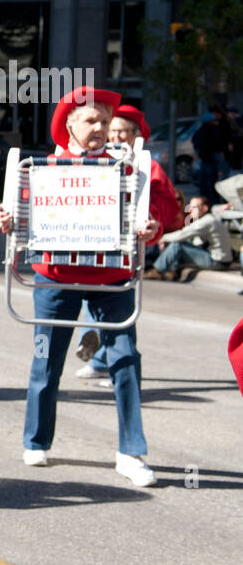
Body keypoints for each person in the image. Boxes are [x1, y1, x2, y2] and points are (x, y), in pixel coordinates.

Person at [0, 87, 175, 487]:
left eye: (105, 121)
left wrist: (151, 228)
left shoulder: (128, 169)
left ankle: (131, 452)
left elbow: (151, 217)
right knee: (46, 361)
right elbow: (20, 221)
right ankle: (37, 439)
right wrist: (10, 221)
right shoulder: (43, 169)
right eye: (92, 119)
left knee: (126, 362)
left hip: (112, 280)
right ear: (69, 123)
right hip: (57, 277)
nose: (101, 128)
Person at [75, 103, 182, 378]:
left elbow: (167, 205)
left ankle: (117, 366)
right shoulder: (94, 157)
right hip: (91, 242)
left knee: (118, 310)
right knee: (90, 298)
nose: (118, 136)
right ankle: (100, 357)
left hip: (123, 249)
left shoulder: (147, 165)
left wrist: (149, 222)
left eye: (124, 131)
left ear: (136, 134)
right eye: (115, 130)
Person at [147, 195, 232, 281]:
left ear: (205, 208)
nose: (190, 210)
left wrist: (162, 238)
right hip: (218, 259)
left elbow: (182, 234)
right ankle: (171, 271)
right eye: (189, 207)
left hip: (217, 262)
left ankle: (157, 271)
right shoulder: (209, 218)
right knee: (181, 243)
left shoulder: (207, 221)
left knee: (178, 245)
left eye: (194, 207)